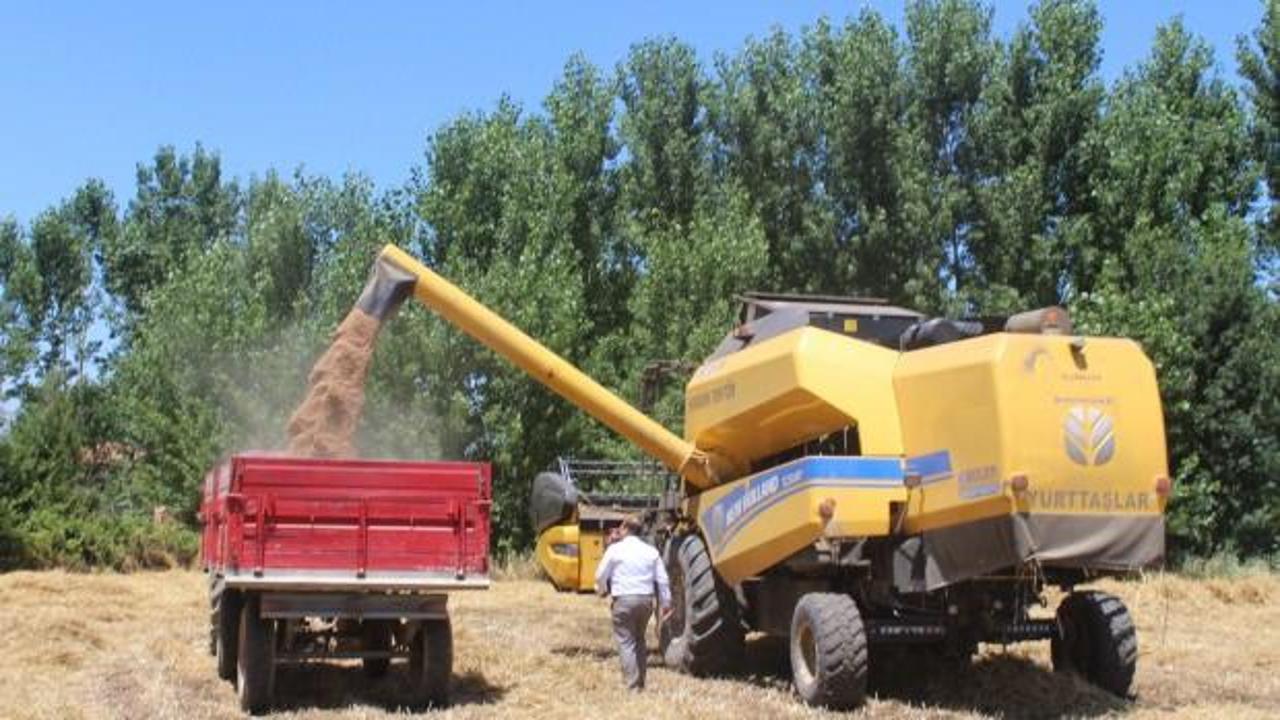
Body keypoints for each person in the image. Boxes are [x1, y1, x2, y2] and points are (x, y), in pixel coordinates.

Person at [594, 515, 672, 690]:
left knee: (626, 641)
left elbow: (600, 576)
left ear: (626, 529)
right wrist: (666, 603)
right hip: (645, 602)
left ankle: (632, 686)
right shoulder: (651, 551)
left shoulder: (615, 550)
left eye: (621, 528)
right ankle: (641, 682)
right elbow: (663, 580)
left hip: (623, 600)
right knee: (639, 639)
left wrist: (602, 591)